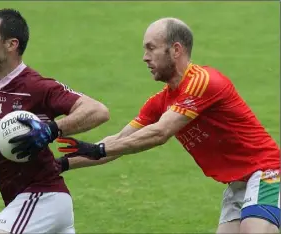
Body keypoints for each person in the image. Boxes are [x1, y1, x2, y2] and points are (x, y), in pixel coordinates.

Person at [55, 18, 280, 234]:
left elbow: (160, 133)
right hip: (237, 184)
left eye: (151, 48)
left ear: (176, 50)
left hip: (267, 171)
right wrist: (59, 165)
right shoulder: (159, 102)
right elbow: (119, 140)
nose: (145, 57)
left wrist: (99, 149)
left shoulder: (203, 81)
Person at [0, 8, 110, 234]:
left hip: (44, 195)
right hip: (26, 202)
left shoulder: (37, 86)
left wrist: (51, 130)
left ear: (11, 44)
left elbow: (98, 110)